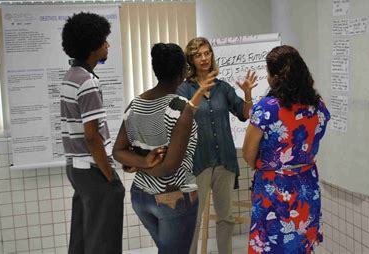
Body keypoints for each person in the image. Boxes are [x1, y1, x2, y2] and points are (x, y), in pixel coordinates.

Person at [61, 12, 161, 254]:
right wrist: (108, 173)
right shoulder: (87, 82)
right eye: (104, 40)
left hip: (76, 169)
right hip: (94, 170)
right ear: (92, 46)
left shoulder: (70, 76)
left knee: (83, 239)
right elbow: (92, 136)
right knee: (103, 242)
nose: (108, 45)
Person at [113, 42, 215, 253]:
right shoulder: (180, 108)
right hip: (173, 198)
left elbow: (118, 151)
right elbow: (169, 167)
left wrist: (140, 163)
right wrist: (144, 163)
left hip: (141, 195)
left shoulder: (135, 104)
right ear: (182, 72)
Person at [242, 45, 331, 254]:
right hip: (306, 187)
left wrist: (268, 164)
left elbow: (248, 154)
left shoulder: (266, 109)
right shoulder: (317, 106)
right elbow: (315, 139)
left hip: (274, 189)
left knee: (272, 246)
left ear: (275, 77)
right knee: (300, 245)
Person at [177, 37, 257, 254]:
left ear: (212, 55)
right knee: (192, 220)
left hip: (224, 161)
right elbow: (182, 119)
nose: (204, 58)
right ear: (191, 60)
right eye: (198, 55)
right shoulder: (184, 90)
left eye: (207, 53)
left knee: (226, 217)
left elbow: (244, 114)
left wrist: (248, 95)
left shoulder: (223, 88)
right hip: (198, 162)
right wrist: (199, 91)